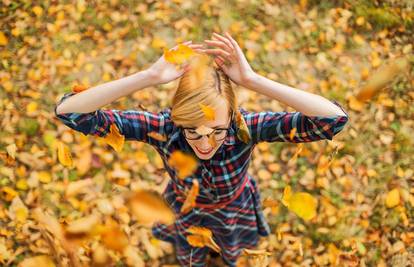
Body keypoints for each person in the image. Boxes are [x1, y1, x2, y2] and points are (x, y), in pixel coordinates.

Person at [54, 32, 349, 266]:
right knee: (189, 259)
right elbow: (70, 112)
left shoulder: (245, 127)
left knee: (232, 255)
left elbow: (332, 121)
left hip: (235, 207)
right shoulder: (162, 128)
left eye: (217, 132)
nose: (205, 144)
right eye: (192, 132)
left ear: (232, 117)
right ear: (178, 119)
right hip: (185, 209)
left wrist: (253, 80)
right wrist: (148, 77)